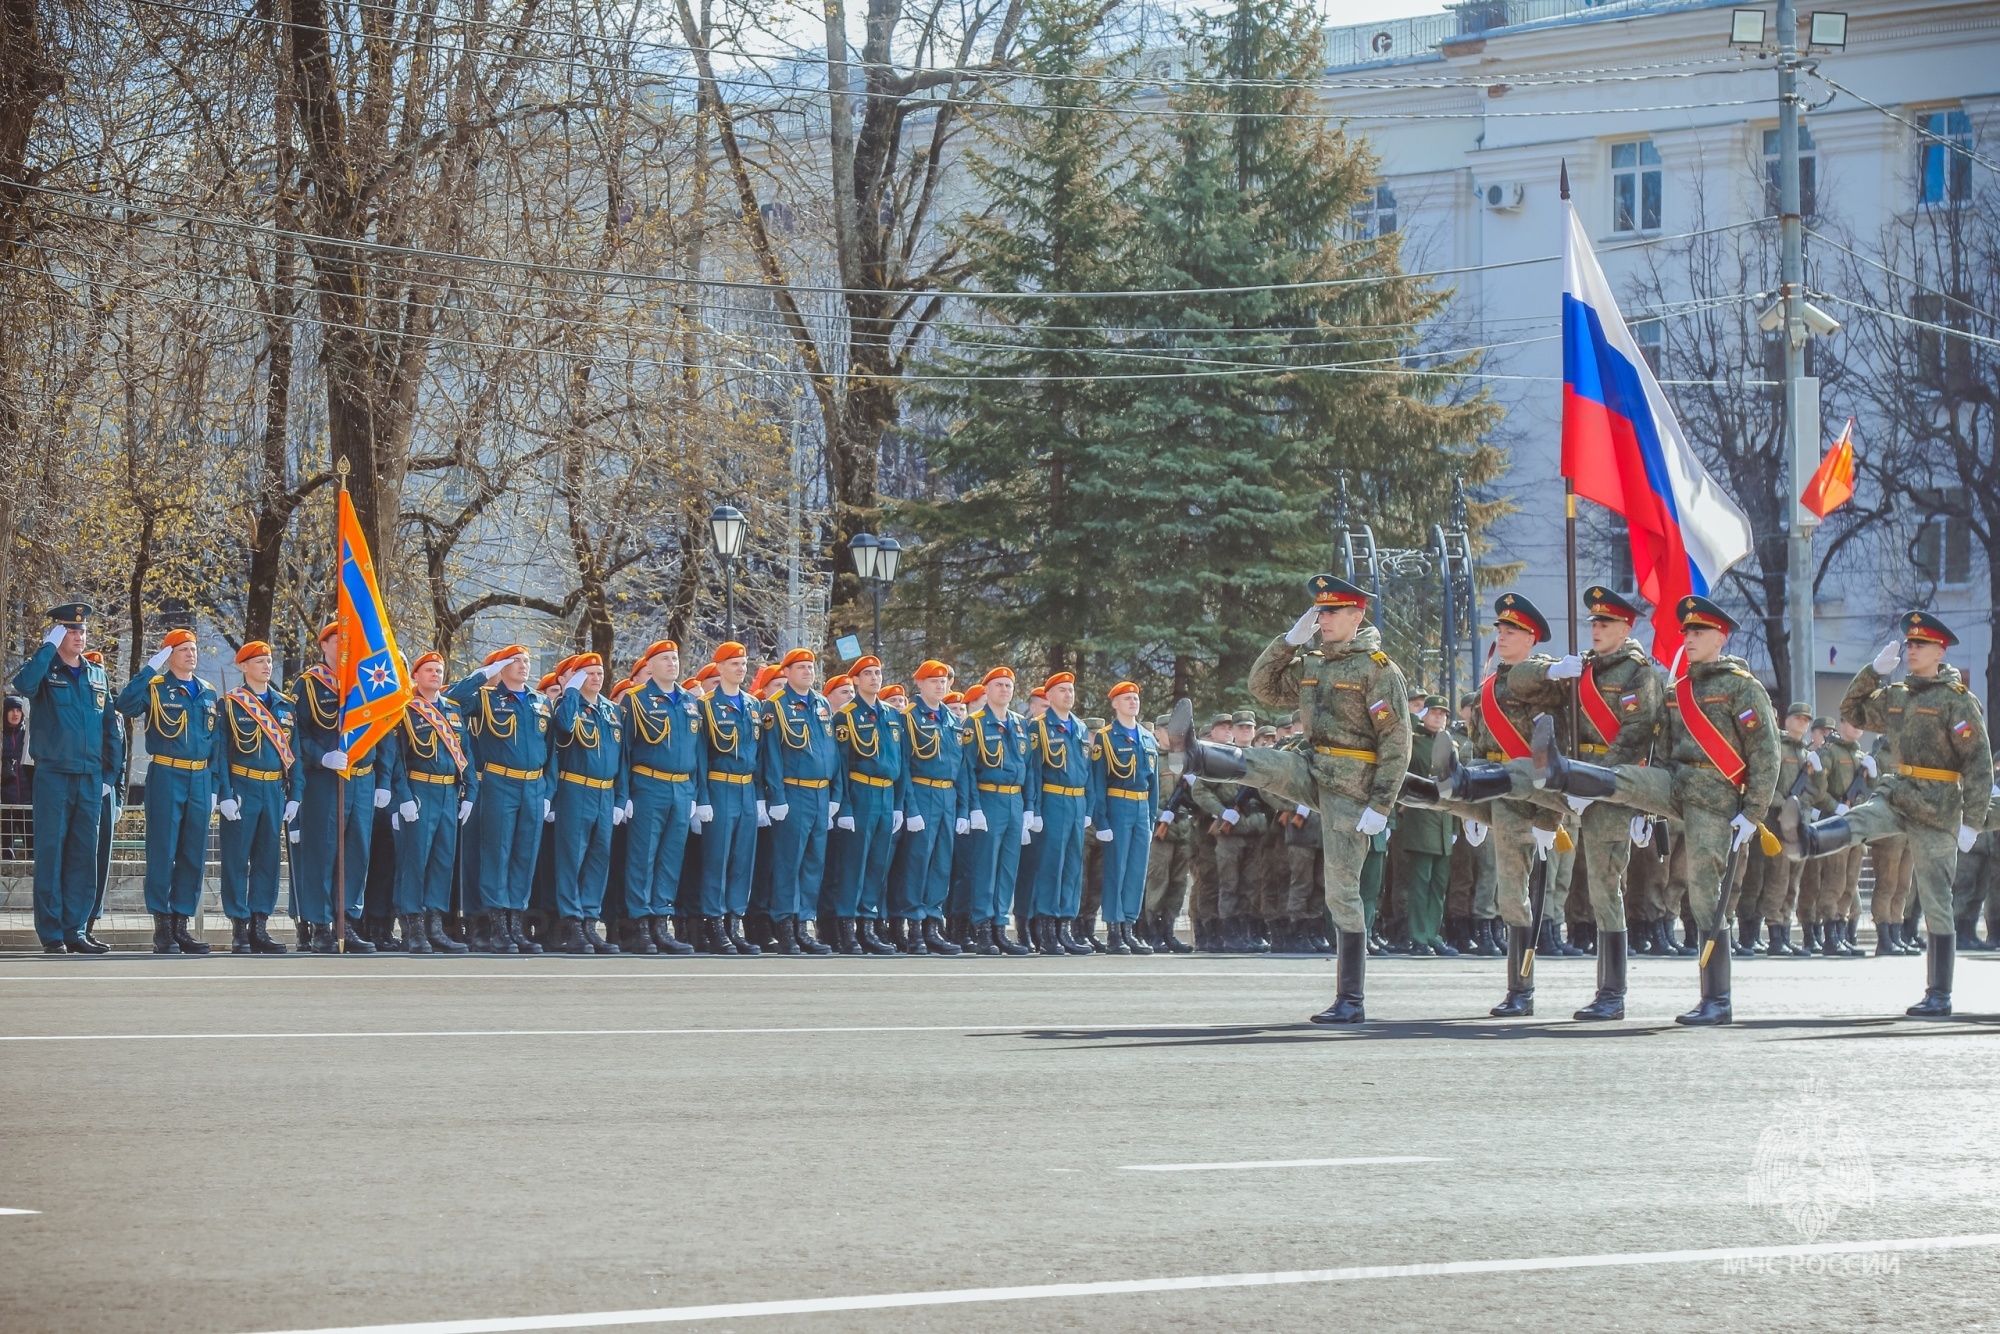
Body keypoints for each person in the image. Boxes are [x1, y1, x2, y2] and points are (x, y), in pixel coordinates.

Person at [1168, 573, 1412, 1024]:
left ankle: (1351, 999)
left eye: (1331, 612)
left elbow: (1397, 743)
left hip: (1351, 787)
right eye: (1319, 612)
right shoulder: (1313, 660)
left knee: (1342, 890)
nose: (1323, 619)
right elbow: (1262, 688)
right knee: (1265, 762)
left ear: (1356, 614)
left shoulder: (1378, 669)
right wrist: (1289, 641)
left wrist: (1380, 805)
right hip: (1309, 765)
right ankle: (1199, 757)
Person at [1534, 595, 1780, 1025]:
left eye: (1698, 632)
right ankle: (1570, 774)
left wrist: (1753, 812)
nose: (1689, 638)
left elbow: (1766, 752)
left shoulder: (1742, 687)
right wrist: (1648, 809)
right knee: (1630, 779)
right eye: (1687, 631)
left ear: (1720, 637)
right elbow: (1659, 752)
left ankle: (1716, 999)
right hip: (1674, 783)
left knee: (1704, 890)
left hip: (1714, 795)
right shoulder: (1677, 689)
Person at [1780, 612, 1991, 1018]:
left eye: (1920, 646)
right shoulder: (1897, 694)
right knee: (1863, 818)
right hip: (1898, 790)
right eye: (1909, 645)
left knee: (1935, 900)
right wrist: (1872, 673)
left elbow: (1979, 764)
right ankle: (1807, 840)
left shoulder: (1956, 700)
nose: (1911, 651)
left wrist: (1972, 821)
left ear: (1939, 651)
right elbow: (1852, 712)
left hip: (1939, 803)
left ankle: (1939, 992)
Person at [1419, 592, 1574, 1017]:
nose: (1502, 636)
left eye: (1511, 631)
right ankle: (1518, 989)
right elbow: (1483, 748)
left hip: (1535, 795)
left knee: (1531, 892)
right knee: (1511, 896)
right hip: (1496, 795)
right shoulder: (1488, 686)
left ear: (1531, 639)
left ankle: (1535, 990)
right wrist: (1478, 812)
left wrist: (1550, 814)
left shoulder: (1544, 683)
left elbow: (1555, 751)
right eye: (1500, 630)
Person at [115, 627, 221, 955]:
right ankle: (162, 927)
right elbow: (124, 704)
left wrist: (215, 784)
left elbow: (214, 742)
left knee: (192, 855)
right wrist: (150, 668)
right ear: (168, 656)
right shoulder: (156, 688)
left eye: (193, 648)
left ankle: (181, 924)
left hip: (200, 778)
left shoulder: (207, 691)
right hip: (166, 772)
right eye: (182, 649)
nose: (191, 653)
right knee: (163, 850)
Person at [12, 603, 110, 953]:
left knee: (84, 856)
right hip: (53, 774)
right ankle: (52, 934)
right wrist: (47, 648)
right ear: (56, 634)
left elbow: (111, 727)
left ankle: (76, 930)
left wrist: (109, 776)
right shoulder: (43, 669)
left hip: (89, 777)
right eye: (70, 630)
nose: (79, 636)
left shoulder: (97, 674)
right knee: (51, 855)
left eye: (82, 631)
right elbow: (21, 684)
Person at [290, 622, 389, 953]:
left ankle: (347, 922)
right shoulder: (309, 684)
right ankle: (320, 925)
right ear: (325, 645)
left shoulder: (365, 683)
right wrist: (321, 757)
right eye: (339, 640)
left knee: (357, 853)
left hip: (362, 777)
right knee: (323, 850)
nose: (346, 645)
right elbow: (297, 735)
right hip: (326, 779)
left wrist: (383, 780)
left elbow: (382, 732)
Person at [448, 645, 553, 955]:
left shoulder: (541, 703)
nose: (523, 666)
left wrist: (548, 790)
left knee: (525, 855)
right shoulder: (485, 699)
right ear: (502, 667)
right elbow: (451, 701)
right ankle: (496, 927)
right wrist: (484, 675)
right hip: (499, 781)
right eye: (516, 661)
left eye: (526, 661)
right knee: (498, 854)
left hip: (533, 785)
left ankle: (515, 924)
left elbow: (550, 751)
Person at [382, 651, 474, 955]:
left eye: (440, 670)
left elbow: (466, 756)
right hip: (419, 791)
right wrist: (403, 796)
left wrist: (470, 792)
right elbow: (396, 757)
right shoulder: (406, 710)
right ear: (416, 676)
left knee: (442, 861)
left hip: (449, 793)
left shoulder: (453, 712)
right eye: (430, 670)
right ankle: (414, 929)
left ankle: (436, 926)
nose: (436, 674)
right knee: (414, 862)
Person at [214, 641, 303, 954]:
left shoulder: (284, 706)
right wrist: (224, 793)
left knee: (267, 862)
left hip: (273, 789)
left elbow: (296, 755)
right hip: (242, 787)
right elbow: (221, 752)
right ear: (243, 667)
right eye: (259, 661)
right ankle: (239, 928)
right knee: (237, 860)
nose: (266, 665)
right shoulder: (230, 704)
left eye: (268, 660)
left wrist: (296, 795)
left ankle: (259, 927)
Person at [621, 641, 702, 955]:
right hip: (648, 784)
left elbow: (696, 752)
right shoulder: (635, 700)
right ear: (650, 665)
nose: (672, 663)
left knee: (670, 859)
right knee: (643, 857)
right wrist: (623, 793)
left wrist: (694, 792)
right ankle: (640, 924)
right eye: (665, 659)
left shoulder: (689, 702)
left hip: (681, 788)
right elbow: (624, 752)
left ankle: (661, 922)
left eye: (675, 658)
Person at [758, 647, 839, 955]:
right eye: (801, 667)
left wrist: (833, 794)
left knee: (813, 863)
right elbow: (772, 756)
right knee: (788, 863)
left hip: (820, 793)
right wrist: (776, 797)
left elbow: (829, 750)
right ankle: (784, 925)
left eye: (810, 666)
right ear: (787, 672)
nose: (807, 671)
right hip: (793, 792)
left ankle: (803, 922)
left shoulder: (820, 704)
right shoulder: (775, 706)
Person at [886, 660, 969, 955]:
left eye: (944, 680)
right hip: (921, 791)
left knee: (941, 863)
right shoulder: (908, 717)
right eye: (933, 680)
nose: (940, 685)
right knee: (915, 862)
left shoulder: (951, 719)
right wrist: (910, 807)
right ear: (919, 684)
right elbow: (904, 767)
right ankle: (911, 926)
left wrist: (963, 809)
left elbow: (961, 768)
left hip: (946, 795)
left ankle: (933, 923)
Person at [829, 655, 908, 955]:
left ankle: (867, 924)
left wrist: (899, 804)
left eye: (878, 673)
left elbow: (900, 763)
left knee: (877, 863)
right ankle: (846, 927)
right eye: (868, 674)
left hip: (887, 794)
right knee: (853, 863)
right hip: (861, 791)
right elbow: (842, 766)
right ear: (856, 680)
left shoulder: (891, 715)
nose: (875, 678)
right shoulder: (846, 717)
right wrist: (845, 807)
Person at [550, 652, 626, 953]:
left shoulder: (610, 710)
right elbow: (565, 727)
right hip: (575, 788)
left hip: (605, 792)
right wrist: (571, 691)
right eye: (589, 673)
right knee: (572, 858)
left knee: (598, 858)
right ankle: (572, 923)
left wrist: (620, 797)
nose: (596, 678)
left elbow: (621, 757)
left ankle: (590, 923)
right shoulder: (568, 705)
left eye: (598, 673)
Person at [962, 667, 1037, 955]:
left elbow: (1028, 770)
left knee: (1008, 868)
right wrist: (974, 808)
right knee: (986, 866)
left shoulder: (1020, 725)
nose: (1005, 690)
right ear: (987, 690)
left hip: (1014, 801)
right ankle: (982, 927)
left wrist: (1029, 808)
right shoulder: (976, 723)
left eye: (1008, 685)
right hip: (989, 797)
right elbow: (967, 770)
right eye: (999, 685)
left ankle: (999, 927)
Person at [695, 641, 763, 955]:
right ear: (719, 667)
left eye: (743, 663)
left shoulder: (752, 706)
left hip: (746, 788)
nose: (740, 668)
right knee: (716, 858)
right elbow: (700, 755)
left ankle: (735, 921)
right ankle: (714, 924)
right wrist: (702, 798)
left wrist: (760, 797)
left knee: (743, 860)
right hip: (720, 785)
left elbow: (759, 756)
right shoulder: (706, 705)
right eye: (733, 663)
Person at [1027, 671, 1093, 956]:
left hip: (1076, 801)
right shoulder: (1039, 727)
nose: (1068, 695)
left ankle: (1066, 925)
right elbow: (1034, 772)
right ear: (1049, 696)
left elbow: (1087, 771)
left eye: (1071, 690)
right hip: (1053, 799)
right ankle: (1046, 928)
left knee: (1072, 867)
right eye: (1062, 690)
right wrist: (1035, 809)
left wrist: (1088, 808)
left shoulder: (1079, 728)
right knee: (1050, 865)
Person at [1090, 681, 1158, 954]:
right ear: (1114, 704)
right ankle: (1114, 930)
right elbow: (1098, 783)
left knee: (1136, 871)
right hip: (1118, 804)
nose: (1133, 702)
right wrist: (1102, 820)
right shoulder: (1106, 737)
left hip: (1141, 809)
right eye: (1126, 698)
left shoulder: (1147, 737)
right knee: (1116, 869)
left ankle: (1129, 926)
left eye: (1135, 698)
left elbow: (1153, 785)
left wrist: (1151, 819)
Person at [1395, 696, 1456, 958]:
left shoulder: (1450, 744)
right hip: (1420, 816)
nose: (1439, 718)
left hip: (1444, 819)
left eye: (1443, 714)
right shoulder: (1413, 741)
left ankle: (1433, 934)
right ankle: (1420, 936)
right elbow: (1400, 775)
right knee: (1421, 882)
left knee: (1439, 884)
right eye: (1434, 713)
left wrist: (1455, 825)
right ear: (1425, 714)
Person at [1140, 713, 1196, 953]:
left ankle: (1169, 931)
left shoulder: (1184, 761)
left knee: (1177, 884)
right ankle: (1151, 932)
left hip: (1183, 829)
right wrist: (1159, 814)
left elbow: (1196, 798)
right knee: (1157, 881)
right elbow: (1143, 791)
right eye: (1166, 730)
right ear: (1158, 733)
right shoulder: (1152, 759)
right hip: (1160, 829)